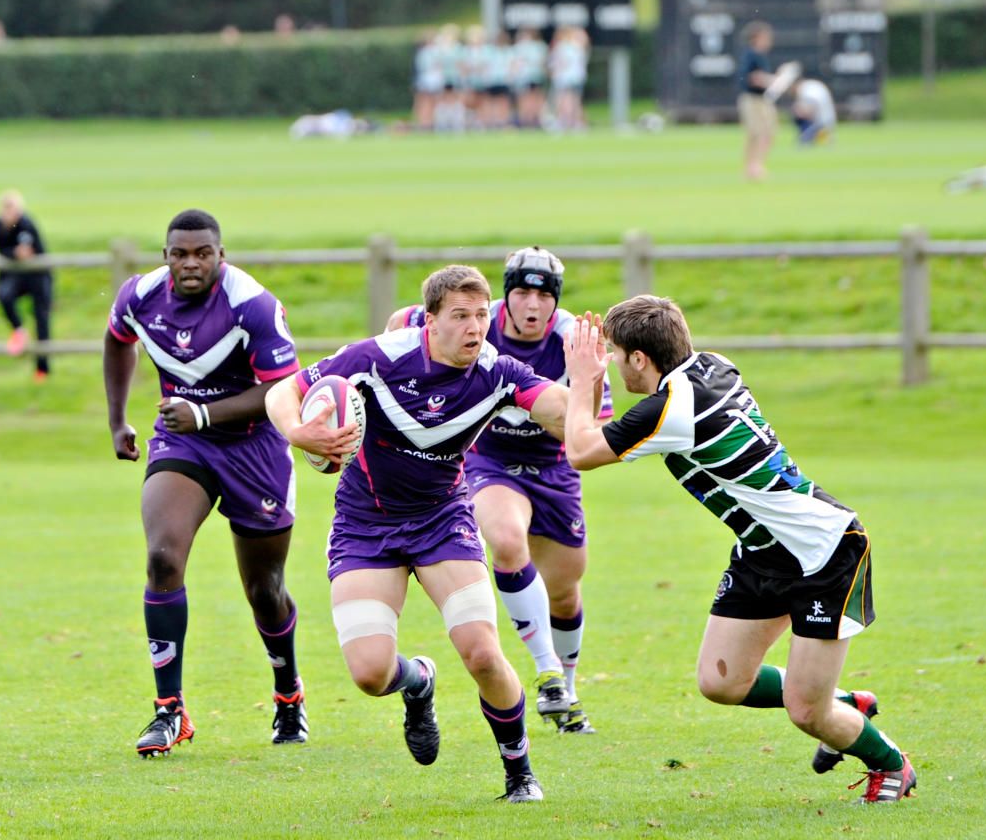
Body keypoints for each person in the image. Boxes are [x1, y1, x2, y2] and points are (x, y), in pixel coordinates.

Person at [561, 296, 912, 803]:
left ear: (640, 359)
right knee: (720, 681)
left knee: (805, 712)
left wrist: (580, 380)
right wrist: (591, 383)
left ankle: (893, 767)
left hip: (824, 552)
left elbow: (579, 452)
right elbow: (590, 437)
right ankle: (846, 702)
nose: (613, 364)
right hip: (764, 551)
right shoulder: (712, 366)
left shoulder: (673, 409)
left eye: (616, 355)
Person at [266, 266, 573, 803]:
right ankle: (419, 682)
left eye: (481, 316)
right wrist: (299, 431)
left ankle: (519, 771)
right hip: (366, 524)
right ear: (430, 320)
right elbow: (283, 392)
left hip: (442, 519)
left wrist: (588, 391)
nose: (475, 327)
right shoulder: (380, 357)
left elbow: (560, 412)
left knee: (481, 653)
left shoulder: (498, 372)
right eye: (460, 316)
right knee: (369, 673)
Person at [102, 209, 309, 758]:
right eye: (179, 254)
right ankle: (169, 711)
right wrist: (118, 418)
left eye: (203, 254)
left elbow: (282, 389)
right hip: (183, 444)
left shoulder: (252, 305)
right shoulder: (140, 296)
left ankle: (288, 694)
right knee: (162, 557)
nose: (191, 263)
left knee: (265, 590)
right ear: (165, 256)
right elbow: (117, 338)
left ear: (221, 254)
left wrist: (203, 413)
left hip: (256, 447)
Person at [387, 247, 613, 733]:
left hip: (555, 467)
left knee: (565, 594)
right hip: (487, 459)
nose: (532, 305)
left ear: (556, 301)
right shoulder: (477, 321)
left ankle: (567, 693)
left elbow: (587, 429)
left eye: (543, 296)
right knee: (507, 541)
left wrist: (587, 380)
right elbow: (401, 321)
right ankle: (548, 673)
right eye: (522, 292)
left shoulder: (573, 341)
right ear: (506, 295)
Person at [0, 190, 54, 380]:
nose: (10, 212)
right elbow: (3, 252)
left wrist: (19, 253)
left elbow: (31, 252)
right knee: (4, 295)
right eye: (6, 208)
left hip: (38, 276)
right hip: (18, 275)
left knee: (41, 321)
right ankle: (18, 330)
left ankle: (42, 370)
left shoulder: (26, 223)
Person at [737, 22, 777, 180]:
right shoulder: (751, 55)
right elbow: (753, 78)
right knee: (756, 134)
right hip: (753, 99)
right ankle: (753, 168)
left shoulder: (759, 56)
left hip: (762, 99)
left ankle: (755, 166)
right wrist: (773, 80)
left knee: (766, 133)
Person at [550, 26, 588, 131]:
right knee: (573, 102)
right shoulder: (576, 46)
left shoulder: (565, 47)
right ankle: (573, 122)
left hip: (566, 79)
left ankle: (570, 122)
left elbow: (557, 64)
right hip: (572, 78)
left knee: (568, 102)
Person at [790, 76, 836, 146]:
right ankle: (822, 135)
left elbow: (809, 108)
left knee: (798, 114)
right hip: (828, 119)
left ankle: (818, 135)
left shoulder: (805, 89)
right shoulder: (811, 85)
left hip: (819, 122)